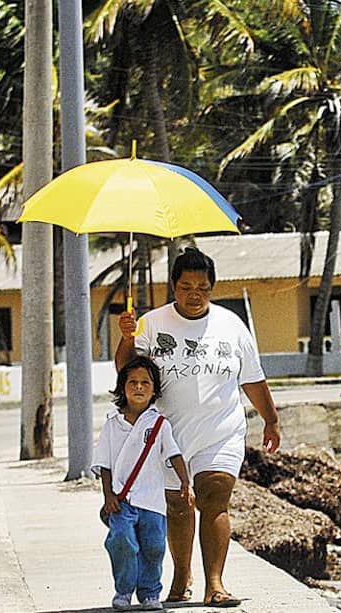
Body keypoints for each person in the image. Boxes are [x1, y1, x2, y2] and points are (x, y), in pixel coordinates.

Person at [115, 247, 281, 608]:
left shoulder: (231, 325)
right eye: (187, 286)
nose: (195, 294)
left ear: (212, 288)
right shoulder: (151, 324)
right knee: (177, 506)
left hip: (220, 431)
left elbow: (252, 378)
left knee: (215, 497)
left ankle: (216, 583)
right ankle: (181, 573)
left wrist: (271, 418)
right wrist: (128, 337)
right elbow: (126, 372)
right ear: (174, 285)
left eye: (202, 288)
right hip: (167, 436)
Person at [93, 355, 191, 611]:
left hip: (152, 500)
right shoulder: (112, 424)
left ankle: (149, 593)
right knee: (122, 541)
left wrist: (184, 483)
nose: (138, 387)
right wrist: (108, 496)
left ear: (154, 389)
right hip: (121, 500)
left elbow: (174, 454)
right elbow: (104, 464)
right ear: (122, 387)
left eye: (145, 383)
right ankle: (123, 590)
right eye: (132, 382)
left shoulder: (159, 424)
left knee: (154, 546)